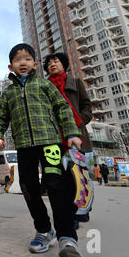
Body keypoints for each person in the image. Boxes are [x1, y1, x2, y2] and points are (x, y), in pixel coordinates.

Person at [0, 43, 84, 257]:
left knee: (56, 186)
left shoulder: (44, 85)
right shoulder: (8, 93)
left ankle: (67, 237)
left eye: (27, 58)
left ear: (33, 63)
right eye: (17, 59)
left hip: (50, 143)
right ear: (10, 65)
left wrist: (71, 132)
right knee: (29, 188)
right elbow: (1, 117)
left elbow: (63, 107)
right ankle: (44, 230)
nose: (22, 62)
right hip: (24, 146)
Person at [44, 52, 94, 224]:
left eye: (56, 61)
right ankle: (69, 214)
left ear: (63, 64)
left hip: (76, 135)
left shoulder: (75, 82)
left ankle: (81, 209)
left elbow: (87, 106)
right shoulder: (45, 86)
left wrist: (79, 121)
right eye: (49, 63)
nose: (52, 64)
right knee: (61, 178)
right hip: (54, 138)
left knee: (78, 175)